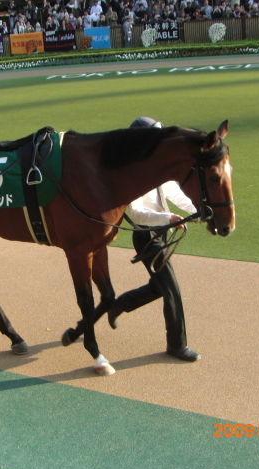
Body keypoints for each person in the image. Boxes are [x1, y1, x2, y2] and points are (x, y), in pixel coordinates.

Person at [107, 116, 202, 362]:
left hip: (162, 233)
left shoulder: (159, 167)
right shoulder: (130, 174)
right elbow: (137, 213)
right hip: (146, 237)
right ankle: (177, 345)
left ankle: (120, 304)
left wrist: (196, 210)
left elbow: (175, 194)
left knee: (160, 286)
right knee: (172, 290)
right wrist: (167, 218)